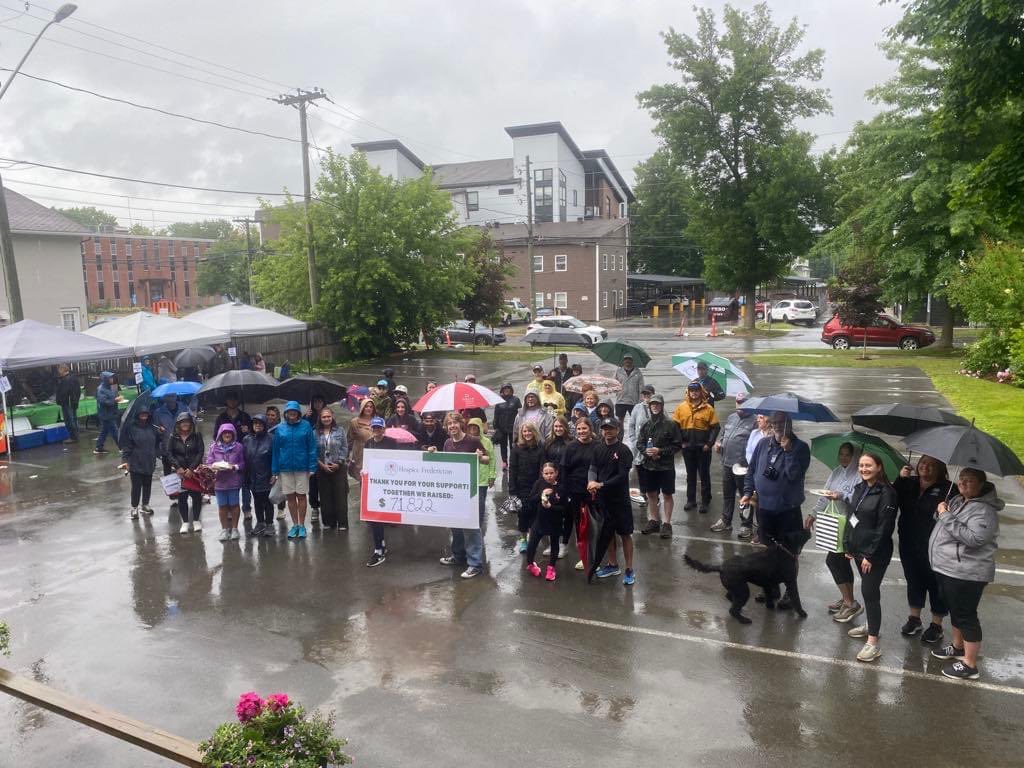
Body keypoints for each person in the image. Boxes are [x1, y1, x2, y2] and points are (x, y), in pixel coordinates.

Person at [928, 467, 1001, 680]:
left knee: (966, 615)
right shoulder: (959, 500)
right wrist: (942, 510)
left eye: (969, 480)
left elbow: (974, 539)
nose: (962, 483)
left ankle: (970, 664)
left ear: (981, 485)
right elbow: (941, 521)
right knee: (956, 610)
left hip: (967, 572)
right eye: (961, 479)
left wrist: (945, 515)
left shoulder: (984, 510)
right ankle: (957, 646)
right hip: (949, 568)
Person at [833, 452, 898, 663]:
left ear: (879, 467)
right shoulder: (860, 488)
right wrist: (848, 544)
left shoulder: (887, 492)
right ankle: (870, 624)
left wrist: (870, 554)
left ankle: (873, 643)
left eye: (868, 465)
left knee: (870, 592)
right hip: (858, 548)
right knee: (867, 590)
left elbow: (884, 527)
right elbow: (852, 517)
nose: (863, 469)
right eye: (861, 465)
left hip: (875, 553)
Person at [894, 455, 957, 643]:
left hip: (935, 546)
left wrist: (947, 508)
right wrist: (900, 479)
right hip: (908, 541)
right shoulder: (909, 482)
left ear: (940, 469)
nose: (925, 467)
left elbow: (954, 516)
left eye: (931, 465)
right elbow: (893, 498)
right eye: (923, 463)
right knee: (913, 579)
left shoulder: (948, 489)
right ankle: (914, 619)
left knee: (935, 583)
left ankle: (936, 625)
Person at [805, 442, 863, 624]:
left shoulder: (860, 475)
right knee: (840, 562)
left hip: (850, 525)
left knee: (834, 560)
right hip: (835, 523)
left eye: (848, 455)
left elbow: (860, 501)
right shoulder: (837, 471)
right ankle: (848, 599)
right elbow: (824, 494)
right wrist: (813, 514)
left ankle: (850, 602)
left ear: (855, 457)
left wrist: (842, 496)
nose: (844, 458)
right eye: (841, 454)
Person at [741, 412, 809, 545]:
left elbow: (795, 477)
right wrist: (748, 492)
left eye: (782, 422)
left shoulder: (801, 447)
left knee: (788, 551)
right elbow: (752, 469)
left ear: (789, 425)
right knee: (768, 549)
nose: (777, 426)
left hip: (788, 511)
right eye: (775, 422)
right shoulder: (763, 443)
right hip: (764, 509)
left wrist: (788, 452)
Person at [437, 412, 488, 578]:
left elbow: (487, 458)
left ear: (461, 424)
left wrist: (480, 457)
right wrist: (433, 453)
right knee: (455, 524)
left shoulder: (472, 440)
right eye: (449, 423)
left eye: (455, 423)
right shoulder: (447, 443)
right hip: (454, 490)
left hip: (470, 489)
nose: (452, 426)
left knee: (471, 526)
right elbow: (445, 464)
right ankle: (458, 556)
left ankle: (475, 564)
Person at [589, 418, 636, 585]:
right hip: (603, 500)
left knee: (625, 534)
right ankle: (612, 564)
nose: (607, 431)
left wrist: (601, 484)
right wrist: (591, 481)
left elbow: (622, 476)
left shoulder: (624, 451)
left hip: (620, 500)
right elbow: (593, 468)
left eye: (611, 428)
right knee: (607, 533)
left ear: (618, 430)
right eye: (605, 428)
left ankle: (629, 569)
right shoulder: (598, 448)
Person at [636, 394, 683, 539]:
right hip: (649, 466)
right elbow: (640, 443)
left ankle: (667, 523)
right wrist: (647, 452)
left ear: (662, 406)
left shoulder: (671, 424)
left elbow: (677, 445)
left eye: (657, 404)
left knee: (667, 494)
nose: (655, 406)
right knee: (651, 494)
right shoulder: (646, 424)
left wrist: (660, 451)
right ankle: (654, 520)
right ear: (649, 407)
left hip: (666, 467)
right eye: (652, 404)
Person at [710, 392, 757, 534]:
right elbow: (723, 436)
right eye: (738, 402)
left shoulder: (755, 421)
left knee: (745, 496)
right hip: (726, 463)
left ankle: (746, 525)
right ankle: (726, 521)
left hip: (743, 467)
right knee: (728, 495)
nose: (740, 405)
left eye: (743, 402)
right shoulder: (731, 417)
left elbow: (756, 444)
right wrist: (718, 444)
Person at [272, 401, 318, 540]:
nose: (292, 413)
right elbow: (276, 450)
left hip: (302, 468)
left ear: (298, 412)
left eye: (294, 411)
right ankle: (295, 525)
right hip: (285, 468)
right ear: (286, 413)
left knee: (301, 496)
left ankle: (302, 525)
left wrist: (312, 466)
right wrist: (274, 470)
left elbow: (312, 447)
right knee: (290, 497)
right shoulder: (280, 428)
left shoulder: (306, 426)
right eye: (289, 411)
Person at [672, 382, 721, 514]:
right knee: (690, 475)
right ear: (688, 392)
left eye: (696, 390)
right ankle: (691, 500)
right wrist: (680, 442)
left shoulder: (708, 408)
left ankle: (705, 501)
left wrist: (709, 444)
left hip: (703, 448)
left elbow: (715, 427)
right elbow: (675, 426)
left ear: (701, 392)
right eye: (691, 390)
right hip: (687, 448)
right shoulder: (681, 408)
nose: (694, 393)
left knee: (704, 475)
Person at [560, 417, 597, 568]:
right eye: (579, 429)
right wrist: (565, 491)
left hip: (592, 491)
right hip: (574, 491)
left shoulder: (597, 446)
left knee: (593, 523)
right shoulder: (571, 447)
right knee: (578, 523)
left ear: (590, 429)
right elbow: (564, 469)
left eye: (584, 428)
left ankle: (594, 554)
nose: (581, 431)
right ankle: (584, 555)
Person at [364, 418, 398, 567]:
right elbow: (366, 462)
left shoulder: (391, 442)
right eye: (374, 427)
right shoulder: (368, 443)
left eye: (379, 427)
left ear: (384, 429)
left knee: (380, 516)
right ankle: (380, 546)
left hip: (387, 482)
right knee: (374, 517)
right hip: (373, 484)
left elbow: (396, 462)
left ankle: (379, 549)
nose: (376, 430)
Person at [524, 462, 567, 581]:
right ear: (542, 474)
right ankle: (530, 564)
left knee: (554, 543)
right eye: (546, 473)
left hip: (555, 521)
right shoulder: (539, 484)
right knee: (532, 544)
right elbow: (531, 500)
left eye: (551, 473)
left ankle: (551, 568)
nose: (549, 476)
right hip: (540, 520)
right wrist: (541, 494)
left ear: (556, 473)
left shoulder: (561, 488)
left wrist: (551, 507)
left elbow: (564, 508)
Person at [118, 406, 163, 520]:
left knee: (147, 484)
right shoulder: (131, 428)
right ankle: (134, 507)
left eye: (146, 413)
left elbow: (157, 442)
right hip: (136, 462)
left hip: (149, 461)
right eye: (142, 413)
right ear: (137, 414)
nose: (144, 415)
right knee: (136, 486)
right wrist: (125, 461)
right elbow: (127, 446)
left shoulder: (152, 427)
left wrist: (161, 433)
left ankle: (145, 504)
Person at [510, 422, 545, 553]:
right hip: (521, 487)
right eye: (524, 431)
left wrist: (541, 486)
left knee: (535, 514)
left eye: (529, 431)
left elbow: (542, 469)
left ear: (534, 432)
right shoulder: (516, 448)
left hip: (535, 487)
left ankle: (532, 537)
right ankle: (523, 540)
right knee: (523, 515)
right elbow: (512, 469)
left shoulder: (540, 449)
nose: (527, 433)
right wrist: (512, 489)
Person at [207, 423, 246, 542]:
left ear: (233, 434)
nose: (227, 434)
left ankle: (235, 529)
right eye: (224, 433)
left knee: (234, 505)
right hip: (219, 482)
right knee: (222, 506)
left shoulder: (239, 447)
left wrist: (234, 467)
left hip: (234, 481)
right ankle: (224, 529)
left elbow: (243, 463)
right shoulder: (213, 447)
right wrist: (213, 467)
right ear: (220, 434)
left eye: (230, 433)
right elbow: (209, 463)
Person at [167, 412, 204, 534]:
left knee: (196, 496)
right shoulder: (173, 437)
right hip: (180, 473)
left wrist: (192, 469)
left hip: (194, 472)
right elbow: (169, 453)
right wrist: (178, 467)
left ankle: (196, 520)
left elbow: (200, 452)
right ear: (178, 424)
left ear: (191, 423)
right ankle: (185, 522)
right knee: (182, 498)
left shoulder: (196, 435)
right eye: (182, 422)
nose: (185, 424)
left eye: (187, 422)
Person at [315, 407, 349, 531]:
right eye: (324, 417)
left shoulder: (340, 430)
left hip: (338, 467)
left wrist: (339, 463)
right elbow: (313, 451)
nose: (326, 419)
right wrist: (322, 465)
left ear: (332, 416)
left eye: (328, 416)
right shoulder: (315, 433)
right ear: (320, 418)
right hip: (322, 468)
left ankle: (342, 523)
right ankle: (329, 522)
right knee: (325, 497)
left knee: (340, 496)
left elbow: (345, 448)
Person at [243, 414, 275, 537]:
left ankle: (269, 523)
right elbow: (244, 458)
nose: (257, 425)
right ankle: (260, 522)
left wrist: (275, 474)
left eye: (260, 423)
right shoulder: (247, 439)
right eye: (255, 423)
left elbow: (276, 457)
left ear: (265, 425)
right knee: (257, 501)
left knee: (267, 501)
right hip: (252, 477)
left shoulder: (271, 439)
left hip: (267, 476)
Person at [467, 417, 497, 528]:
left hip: (482, 479)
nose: (473, 429)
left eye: (475, 427)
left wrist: (492, 475)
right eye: (470, 427)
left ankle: (478, 526)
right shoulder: (466, 441)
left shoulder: (487, 442)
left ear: (480, 428)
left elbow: (492, 459)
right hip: (468, 478)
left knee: (480, 505)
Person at [305, 395, 329, 523]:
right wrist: (305, 417)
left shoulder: (328, 414)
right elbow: (303, 431)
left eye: (320, 401)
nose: (318, 403)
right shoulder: (308, 416)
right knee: (313, 484)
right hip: (311, 455)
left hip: (326, 455)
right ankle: (314, 507)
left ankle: (326, 507)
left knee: (325, 484)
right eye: (315, 401)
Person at [94, 372, 124, 454]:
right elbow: (103, 402)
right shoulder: (101, 389)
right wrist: (115, 400)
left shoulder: (110, 387)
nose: (112, 379)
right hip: (106, 414)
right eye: (110, 378)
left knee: (104, 431)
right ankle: (122, 447)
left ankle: (98, 447)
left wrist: (118, 397)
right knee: (115, 431)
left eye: (112, 378)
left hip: (110, 413)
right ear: (106, 379)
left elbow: (112, 396)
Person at [492, 383, 521, 468]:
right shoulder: (499, 401)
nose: (507, 390)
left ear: (511, 390)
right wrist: (495, 427)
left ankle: (513, 460)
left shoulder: (516, 400)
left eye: (508, 388)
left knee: (513, 445)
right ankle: (504, 461)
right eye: (505, 389)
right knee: (503, 445)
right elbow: (496, 414)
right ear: (502, 390)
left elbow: (520, 413)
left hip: (513, 427)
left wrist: (520, 425)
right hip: (502, 428)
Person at [623, 384, 655, 454]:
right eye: (644, 393)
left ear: (653, 394)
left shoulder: (659, 407)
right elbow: (631, 425)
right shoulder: (637, 407)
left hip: (654, 443)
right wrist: (633, 440)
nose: (646, 395)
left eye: (648, 393)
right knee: (637, 460)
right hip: (639, 443)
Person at [348, 399, 376, 474]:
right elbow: (349, 440)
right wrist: (347, 457)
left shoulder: (378, 421)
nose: (369, 408)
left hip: (374, 454)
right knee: (360, 477)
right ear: (362, 407)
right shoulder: (354, 422)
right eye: (366, 406)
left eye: (371, 407)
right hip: (359, 455)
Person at [54, 364, 81, 444]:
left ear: (63, 370)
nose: (59, 372)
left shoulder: (67, 379)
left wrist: (59, 400)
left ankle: (74, 437)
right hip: (71, 402)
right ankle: (75, 436)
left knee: (70, 420)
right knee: (72, 420)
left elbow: (65, 393)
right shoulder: (72, 378)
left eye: (59, 370)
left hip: (68, 403)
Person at [613, 355, 644, 421]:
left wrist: (641, 401)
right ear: (623, 361)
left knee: (635, 420)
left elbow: (641, 387)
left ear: (632, 361)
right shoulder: (618, 371)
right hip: (620, 401)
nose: (627, 360)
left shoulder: (638, 372)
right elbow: (613, 385)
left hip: (634, 402)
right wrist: (615, 389)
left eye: (629, 359)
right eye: (626, 359)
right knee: (620, 421)